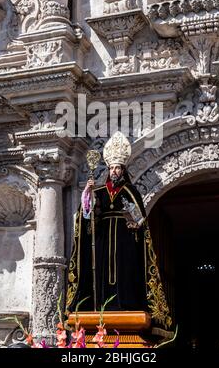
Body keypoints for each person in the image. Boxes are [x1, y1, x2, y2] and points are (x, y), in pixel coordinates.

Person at [66, 132, 172, 331]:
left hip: (125, 242)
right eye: (112, 168)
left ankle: (128, 305)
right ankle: (98, 305)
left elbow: (140, 220)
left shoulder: (131, 192)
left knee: (126, 273)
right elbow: (86, 217)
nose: (114, 171)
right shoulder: (98, 192)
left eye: (118, 168)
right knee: (101, 272)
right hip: (103, 240)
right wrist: (87, 195)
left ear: (123, 170)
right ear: (108, 170)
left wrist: (132, 216)